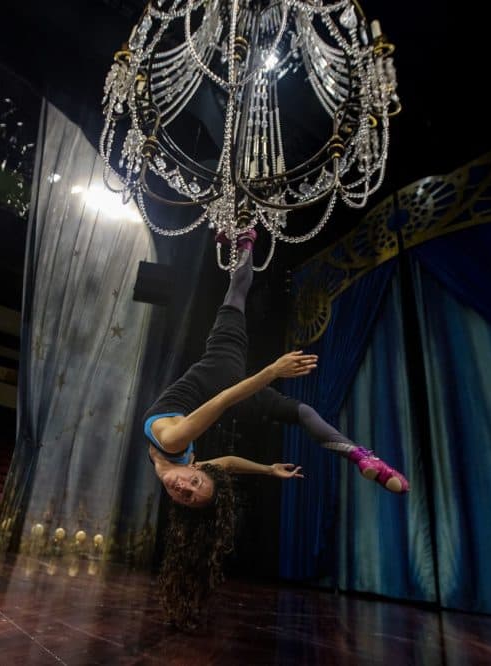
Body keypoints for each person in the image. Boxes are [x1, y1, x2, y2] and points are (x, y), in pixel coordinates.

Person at [144, 229, 408, 628]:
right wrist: (270, 371)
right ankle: (246, 242)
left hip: (233, 390)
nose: (184, 488)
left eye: (187, 496)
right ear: (198, 471)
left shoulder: (174, 459)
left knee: (299, 410)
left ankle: (358, 454)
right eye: (196, 487)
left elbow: (227, 461)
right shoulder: (173, 445)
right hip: (222, 374)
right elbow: (220, 403)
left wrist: (268, 470)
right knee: (235, 296)